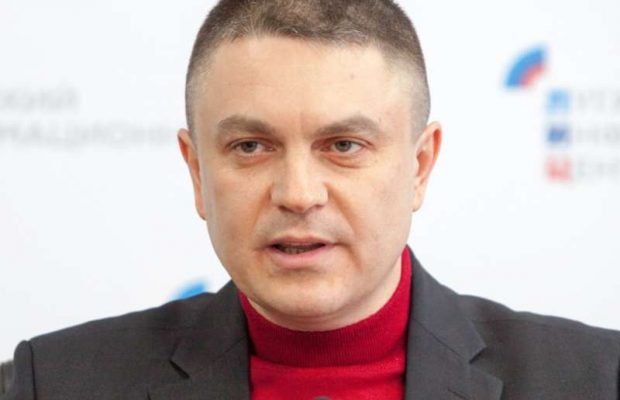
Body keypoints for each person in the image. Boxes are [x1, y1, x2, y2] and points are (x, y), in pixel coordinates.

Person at [3, 1, 619, 399]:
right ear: (196, 171)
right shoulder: (50, 383)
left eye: (343, 145)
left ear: (419, 166)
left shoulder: (596, 378)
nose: (298, 194)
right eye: (250, 147)